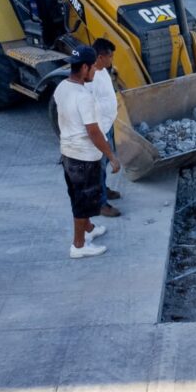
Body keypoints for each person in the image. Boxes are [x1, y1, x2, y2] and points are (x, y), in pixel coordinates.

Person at [53, 43, 121, 258]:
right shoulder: (84, 97)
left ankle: (89, 229)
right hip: (83, 158)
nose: (95, 70)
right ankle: (79, 245)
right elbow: (94, 132)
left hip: (69, 154)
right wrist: (111, 156)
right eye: (92, 67)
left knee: (77, 196)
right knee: (83, 202)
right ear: (84, 68)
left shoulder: (62, 87)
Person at [89, 37, 122, 218]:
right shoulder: (91, 77)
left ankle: (103, 188)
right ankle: (100, 203)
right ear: (100, 57)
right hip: (100, 130)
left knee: (104, 164)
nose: (112, 60)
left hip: (108, 125)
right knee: (99, 167)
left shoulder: (103, 70)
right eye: (110, 56)